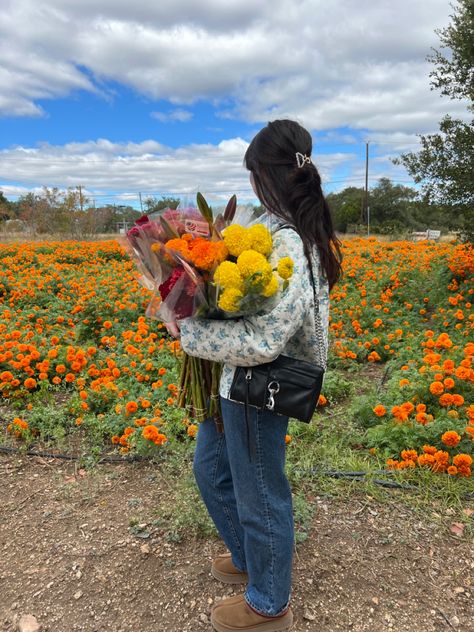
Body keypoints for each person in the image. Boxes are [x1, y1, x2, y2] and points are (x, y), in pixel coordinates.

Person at [169, 119, 343, 632]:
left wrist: (188, 332)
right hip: (236, 381)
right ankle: (251, 557)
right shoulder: (274, 227)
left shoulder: (288, 240)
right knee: (211, 469)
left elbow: (265, 339)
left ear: (267, 175)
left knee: (261, 493)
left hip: (259, 387)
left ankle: (269, 604)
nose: (249, 185)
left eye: (252, 174)